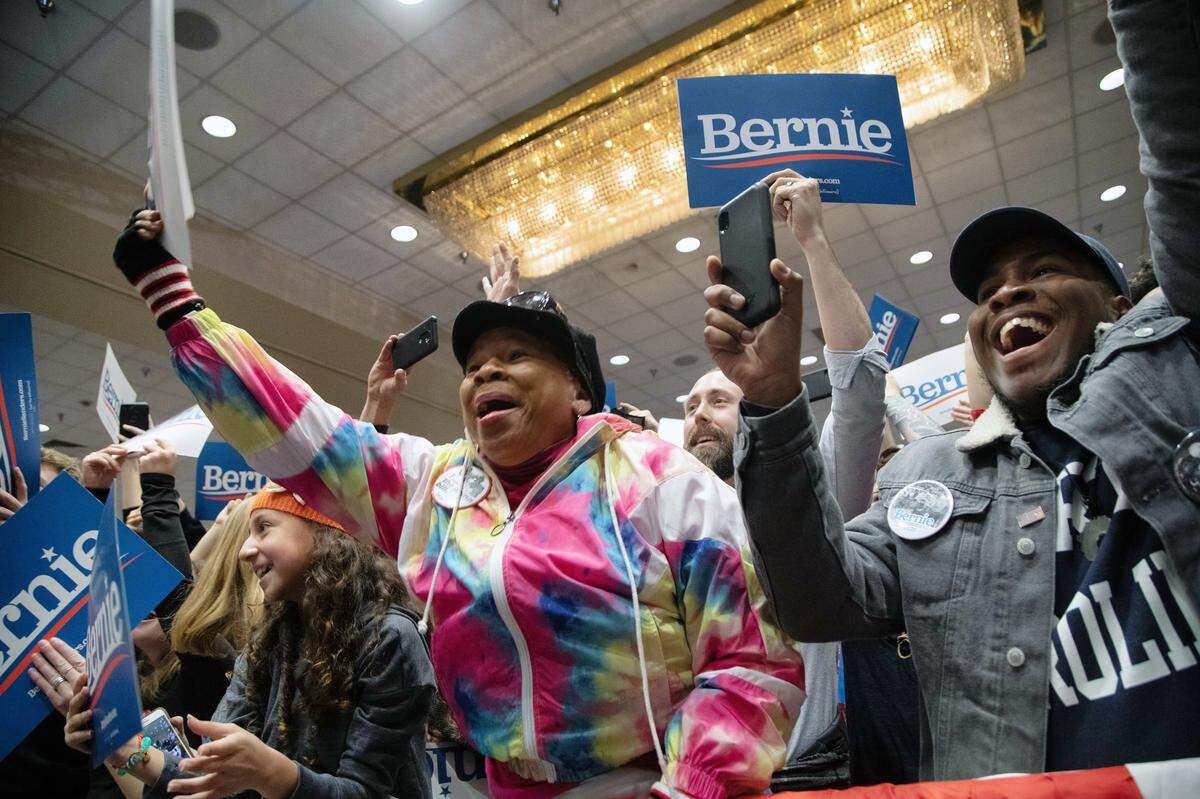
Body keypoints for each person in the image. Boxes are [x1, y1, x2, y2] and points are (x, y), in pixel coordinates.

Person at [109, 210, 804, 799]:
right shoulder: (435, 484)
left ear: (579, 391)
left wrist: (690, 788)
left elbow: (752, 664)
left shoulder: (660, 479)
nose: (486, 372)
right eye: (473, 367)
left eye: (516, 354)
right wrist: (173, 299)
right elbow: (300, 429)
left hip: (656, 782)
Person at [701, 0, 1200, 777]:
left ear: (1118, 305)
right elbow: (816, 599)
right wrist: (768, 401)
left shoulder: (1179, 372)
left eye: (1041, 271)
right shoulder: (923, 479)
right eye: (990, 288)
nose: (1005, 295)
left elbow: (1183, 165)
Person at [64, 484, 437, 799]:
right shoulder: (270, 639)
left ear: (325, 530)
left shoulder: (390, 638)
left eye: (263, 528)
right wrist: (122, 746)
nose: (244, 550)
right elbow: (222, 783)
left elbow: (366, 790)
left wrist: (275, 773)